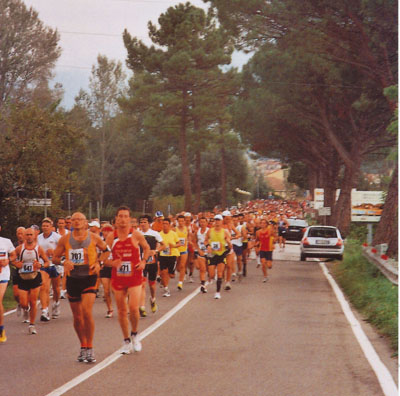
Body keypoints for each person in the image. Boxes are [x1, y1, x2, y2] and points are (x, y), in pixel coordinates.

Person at [53, 212, 109, 363]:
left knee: (86, 311)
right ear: (70, 222)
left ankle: (90, 347)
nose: (77, 222)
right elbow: (55, 258)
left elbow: (106, 251)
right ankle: (83, 345)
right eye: (74, 219)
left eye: (80, 219)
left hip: (89, 277)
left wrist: (99, 263)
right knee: (77, 317)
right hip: (73, 279)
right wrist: (64, 261)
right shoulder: (65, 239)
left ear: (85, 223)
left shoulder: (94, 237)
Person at [104, 206, 150, 354]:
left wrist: (143, 261)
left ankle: (135, 334)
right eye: (120, 216)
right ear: (116, 219)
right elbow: (103, 258)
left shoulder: (136, 235)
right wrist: (112, 263)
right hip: (118, 277)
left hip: (135, 276)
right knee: (122, 311)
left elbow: (147, 248)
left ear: (129, 219)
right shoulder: (111, 237)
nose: (123, 219)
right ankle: (126, 341)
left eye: (125, 216)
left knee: (133, 308)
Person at [13, 228, 50, 334]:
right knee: (24, 302)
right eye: (27, 234)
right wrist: (16, 264)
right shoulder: (20, 248)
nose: (29, 236)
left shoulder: (39, 249)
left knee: (33, 302)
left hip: (35, 277)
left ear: (34, 236)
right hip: (22, 277)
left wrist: (41, 265)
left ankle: (32, 324)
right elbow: (12, 258)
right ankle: (25, 309)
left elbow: (47, 262)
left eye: (31, 234)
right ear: (24, 236)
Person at [138, 215, 165, 316]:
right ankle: (142, 307)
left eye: (145, 222)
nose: (142, 224)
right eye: (141, 222)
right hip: (141, 261)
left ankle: (153, 299)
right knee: (142, 284)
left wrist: (156, 251)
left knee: (152, 285)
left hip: (152, 261)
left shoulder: (155, 234)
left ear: (149, 223)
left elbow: (164, 245)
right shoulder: (137, 234)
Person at [37, 218, 61, 321]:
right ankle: (44, 310)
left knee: (56, 288)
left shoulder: (57, 237)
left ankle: (56, 304)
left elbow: (64, 250)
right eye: (43, 226)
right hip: (44, 265)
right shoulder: (38, 238)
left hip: (55, 265)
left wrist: (54, 252)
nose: (45, 228)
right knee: (44, 287)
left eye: (47, 226)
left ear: (51, 227)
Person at [204, 214, 232, 299]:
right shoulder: (210, 231)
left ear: (222, 221)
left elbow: (229, 244)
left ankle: (217, 292)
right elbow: (205, 240)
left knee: (220, 273)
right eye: (215, 220)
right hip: (212, 254)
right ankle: (209, 281)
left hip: (221, 254)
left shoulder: (225, 231)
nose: (217, 222)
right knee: (211, 274)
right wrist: (208, 246)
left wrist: (228, 243)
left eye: (218, 220)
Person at [0, 225, 16, 342]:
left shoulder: (6, 241)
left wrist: (8, 260)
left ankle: (1, 329)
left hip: (3, 275)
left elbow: (14, 254)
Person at [158, 218, 181, 297]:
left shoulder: (173, 234)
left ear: (169, 225)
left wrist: (174, 246)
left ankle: (165, 280)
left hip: (172, 255)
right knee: (164, 272)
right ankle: (166, 289)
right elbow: (157, 244)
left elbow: (179, 243)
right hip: (163, 255)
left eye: (166, 224)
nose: (164, 225)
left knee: (171, 275)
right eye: (163, 223)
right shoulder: (159, 234)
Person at [99, 223, 114, 318]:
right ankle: (110, 309)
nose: (107, 233)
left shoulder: (116, 241)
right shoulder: (99, 242)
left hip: (114, 267)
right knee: (106, 290)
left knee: (116, 290)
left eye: (109, 230)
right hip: (104, 268)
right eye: (105, 230)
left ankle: (125, 307)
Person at [192, 217, 209, 293]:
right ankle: (203, 285)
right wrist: (198, 250)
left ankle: (209, 277)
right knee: (202, 269)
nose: (202, 223)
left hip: (209, 252)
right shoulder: (197, 232)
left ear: (206, 223)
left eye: (204, 222)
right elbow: (194, 242)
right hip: (201, 252)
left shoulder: (210, 231)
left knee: (210, 272)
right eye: (201, 222)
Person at [175, 215, 188, 291]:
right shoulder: (174, 229)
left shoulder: (187, 229)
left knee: (182, 265)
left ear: (184, 221)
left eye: (182, 221)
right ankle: (177, 271)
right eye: (179, 221)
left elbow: (188, 237)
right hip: (176, 250)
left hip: (184, 250)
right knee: (178, 266)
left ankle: (180, 282)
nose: (181, 222)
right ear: (177, 222)